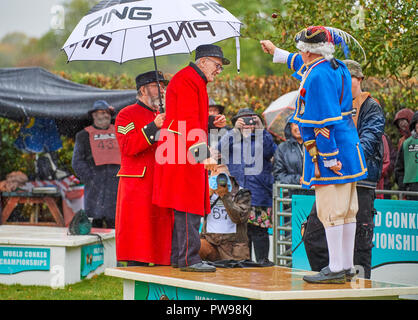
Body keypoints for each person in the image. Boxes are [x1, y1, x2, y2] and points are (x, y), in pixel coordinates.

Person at [261, 25, 368, 284]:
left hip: (330, 151)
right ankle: (344, 265)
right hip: (349, 147)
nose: (301, 54)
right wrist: (277, 52)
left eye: (302, 50)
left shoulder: (316, 77)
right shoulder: (337, 66)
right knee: (347, 210)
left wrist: (328, 159)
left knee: (330, 211)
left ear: (310, 52)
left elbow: (322, 122)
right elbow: (300, 63)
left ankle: (334, 267)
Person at [298, 60, 385, 279]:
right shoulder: (333, 102)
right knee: (313, 234)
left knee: (360, 243)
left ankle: (358, 285)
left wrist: (343, 159)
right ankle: (332, 273)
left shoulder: (371, 106)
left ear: (359, 79)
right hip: (334, 173)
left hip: (360, 180)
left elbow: (370, 139)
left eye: (349, 79)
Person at [152, 44, 229, 272]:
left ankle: (181, 258)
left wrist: (209, 122)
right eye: (217, 65)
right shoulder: (188, 80)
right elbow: (186, 122)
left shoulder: (191, 79)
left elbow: (188, 118)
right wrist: (203, 155)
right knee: (188, 207)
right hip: (184, 153)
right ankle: (189, 259)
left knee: (186, 207)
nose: (219, 70)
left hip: (182, 149)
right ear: (203, 61)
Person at [114, 71, 173, 266]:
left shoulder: (165, 114)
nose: (162, 90)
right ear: (143, 89)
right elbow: (128, 147)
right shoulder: (125, 114)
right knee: (138, 234)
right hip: (138, 185)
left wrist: (208, 124)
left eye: (163, 86)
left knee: (162, 234)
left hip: (162, 181)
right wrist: (153, 126)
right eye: (158, 86)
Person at [218, 107, 276, 263]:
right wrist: (235, 131)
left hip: (259, 193)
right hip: (237, 193)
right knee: (241, 233)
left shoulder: (262, 137)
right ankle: (244, 261)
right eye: (244, 120)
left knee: (260, 230)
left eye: (251, 119)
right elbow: (219, 149)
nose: (248, 123)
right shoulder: (231, 137)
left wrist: (261, 130)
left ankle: (263, 261)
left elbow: (270, 151)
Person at [72, 100, 120, 229]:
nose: (105, 116)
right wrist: (90, 178)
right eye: (101, 113)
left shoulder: (121, 132)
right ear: (93, 116)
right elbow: (77, 161)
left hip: (117, 187)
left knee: (117, 226)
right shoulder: (83, 136)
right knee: (93, 227)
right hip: (94, 189)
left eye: (107, 113)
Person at [199, 164, 252, 261]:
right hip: (211, 243)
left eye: (222, 178)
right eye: (215, 178)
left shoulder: (242, 193)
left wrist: (225, 196)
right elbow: (197, 213)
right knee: (197, 246)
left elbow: (239, 218)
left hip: (233, 247)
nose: (219, 182)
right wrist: (207, 194)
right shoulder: (207, 192)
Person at [395, 111, 418, 200]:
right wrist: (403, 187)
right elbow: (399, 168)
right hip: (411, 187)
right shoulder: (406, 143)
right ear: (414, 125)